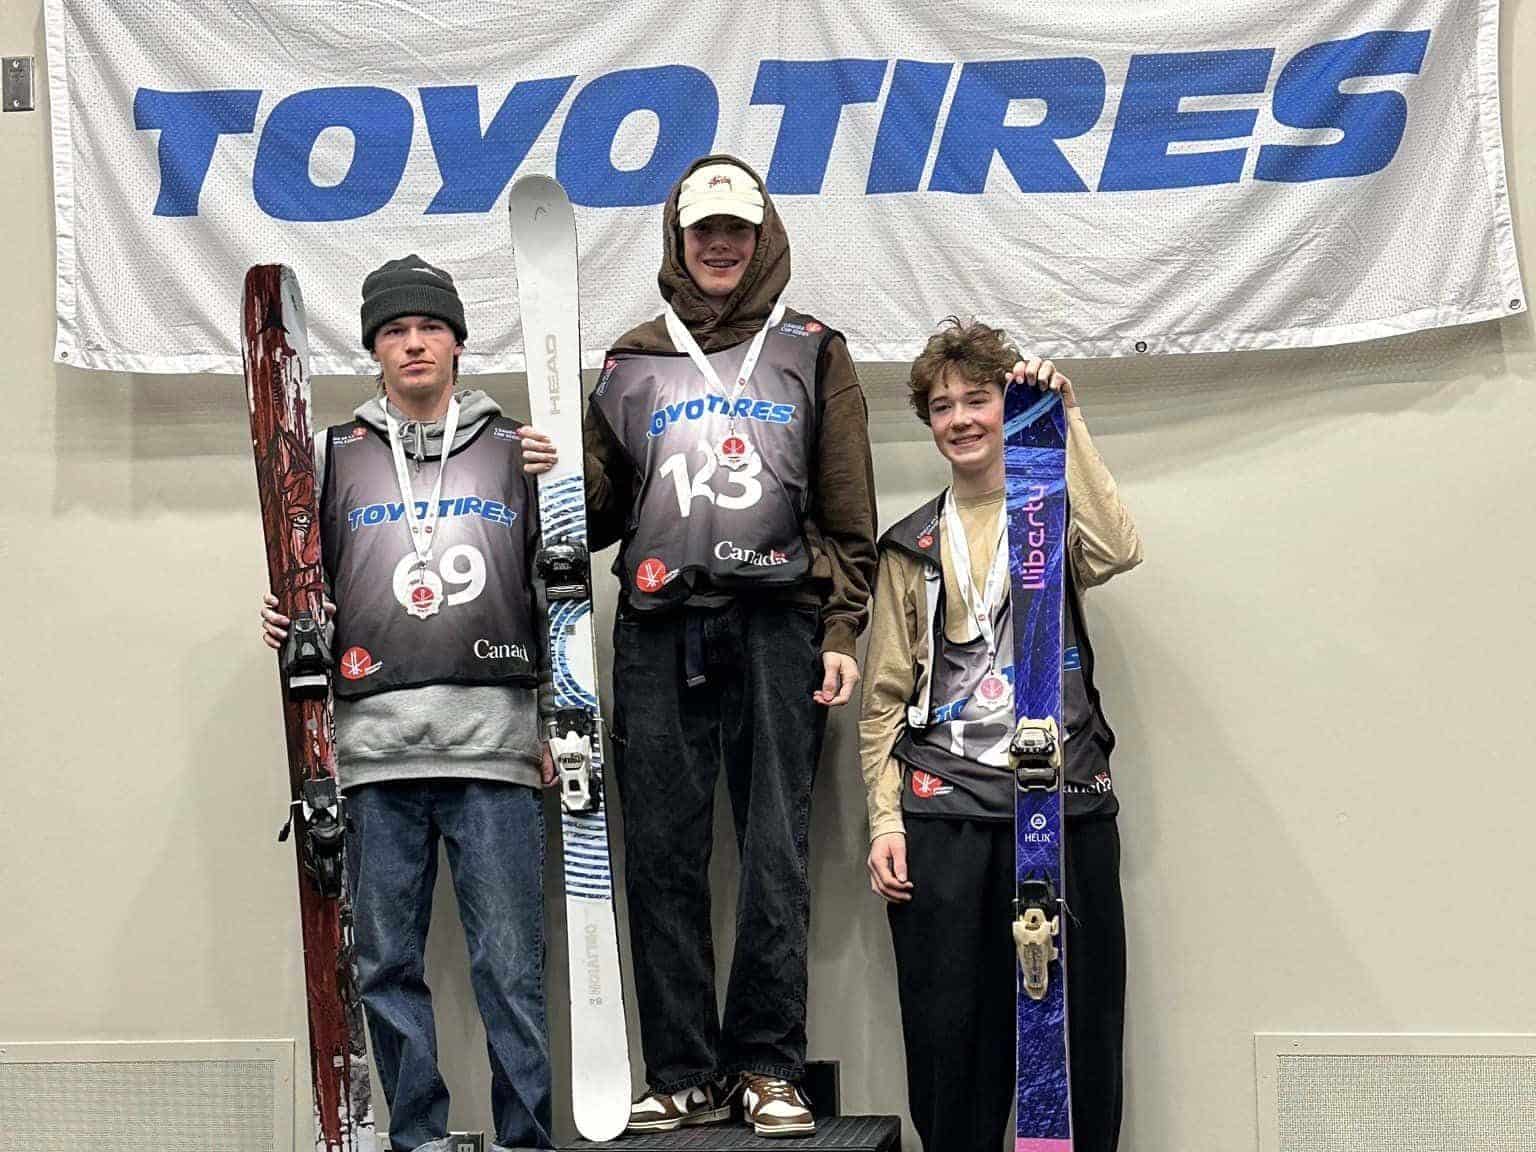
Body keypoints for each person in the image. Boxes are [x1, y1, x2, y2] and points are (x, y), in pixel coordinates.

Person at [520, 155, 877, 1137]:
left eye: (737, 231)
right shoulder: (633, 360)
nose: (720, 246)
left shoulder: (814, 350)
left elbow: (848, 513)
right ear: (678, 242)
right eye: (702, 231)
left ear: (765, 241)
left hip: (779, 625)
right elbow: (594, 516)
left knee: (775, 852)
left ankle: (767, 1064)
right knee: (665, 854)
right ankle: (681, 1069)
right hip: (657, 628)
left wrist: (841, 625)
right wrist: (550, 467)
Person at [260, 256, 556, 1152]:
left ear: (458, 341)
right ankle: (417, 1139)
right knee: (384, 968)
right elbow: (307, 582)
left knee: (511, 970)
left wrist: (558, 723)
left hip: (493, 748)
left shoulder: (517, 449)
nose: (413, 343)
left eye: (429, 327)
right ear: (376, 350)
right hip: (373, 753)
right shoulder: (336, 455)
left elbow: (560, 590)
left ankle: (527, 1139)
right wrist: (289, 611)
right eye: (394, 331)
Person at [858, 319, 1141, 1152]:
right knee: (950, 1037)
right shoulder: (909, 545)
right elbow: (883, 698)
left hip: (1061, 802)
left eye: (977, 399)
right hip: (946, 808)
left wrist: (1064, 422)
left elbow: (1120, 548)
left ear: (1002, 408)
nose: (960, 419)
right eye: (942, 406)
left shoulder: (1051, 522)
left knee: (1079, 1030)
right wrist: (883, 819)